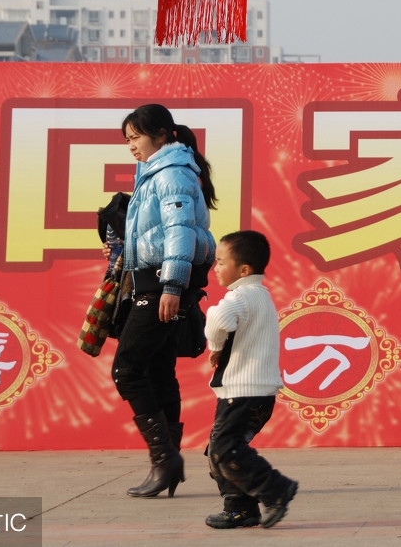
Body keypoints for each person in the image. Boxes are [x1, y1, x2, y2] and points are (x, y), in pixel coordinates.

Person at [112, 103, 217, 498]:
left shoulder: (171, 172)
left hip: (161, 283)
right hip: (152, 281)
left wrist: (172, 286)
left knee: (128, 369)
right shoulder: (156, 171)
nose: (131, 147)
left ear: (160, 134)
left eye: (135, 137)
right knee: (157, 369)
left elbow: (179, 229)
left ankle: (165, 460)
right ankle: (167, 463)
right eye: (127, 140)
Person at [203, 230, 298, 529]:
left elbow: (218, 320)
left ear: (243, 270)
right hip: (255, 393)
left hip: (244, 392)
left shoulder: (241, 295)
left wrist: (215, 347)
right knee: (218, 451)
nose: (215, 268)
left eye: (220, 262)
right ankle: (241, 509)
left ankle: (275, 489)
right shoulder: (260, 295)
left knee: (224, 449)